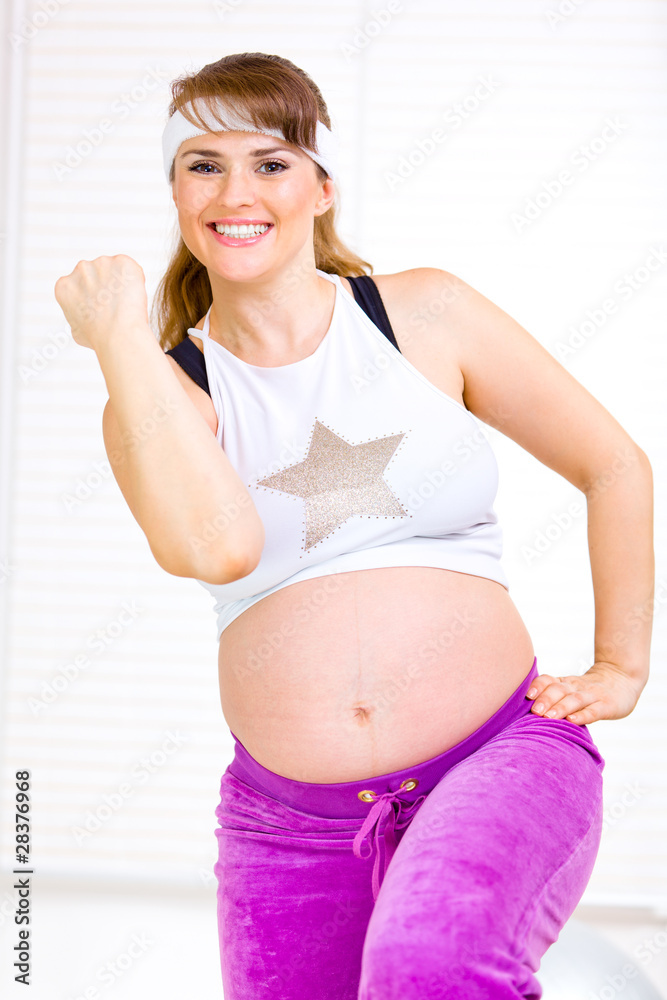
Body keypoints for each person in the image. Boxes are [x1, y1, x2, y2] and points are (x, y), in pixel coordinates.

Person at [54, 51, 654, 1000]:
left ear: (322, 187)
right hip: (287, 824)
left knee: (430, 965)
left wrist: (620, 666)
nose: (235, 192)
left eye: (271, 162)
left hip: (496, 758)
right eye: (203, 165)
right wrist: (123, 342)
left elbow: (612, 464)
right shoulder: (166, 395)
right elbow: (215, 549)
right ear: (174, 192)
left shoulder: (424, 315)